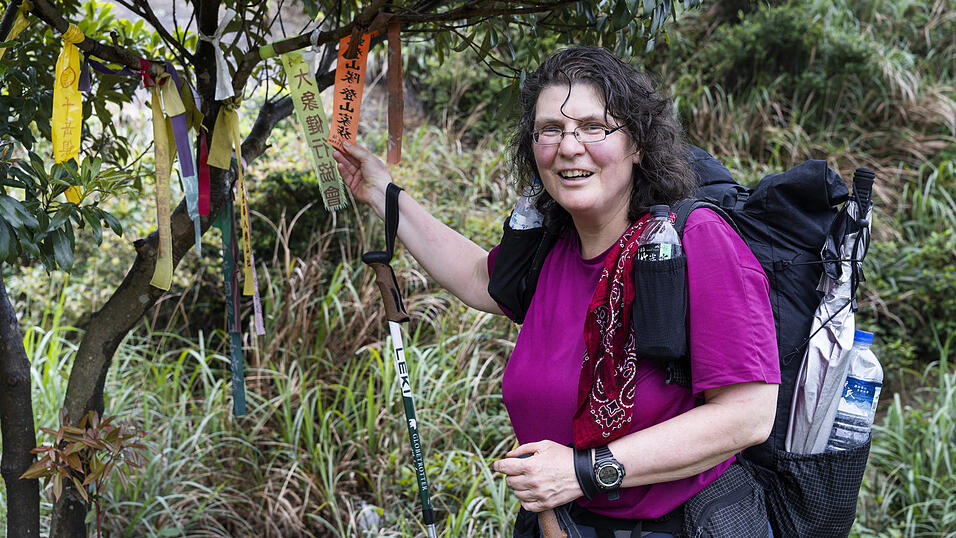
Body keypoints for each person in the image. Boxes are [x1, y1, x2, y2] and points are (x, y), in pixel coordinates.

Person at [333, 46, 780, 537]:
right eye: (550, 130)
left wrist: (581, 471)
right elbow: (479, 279)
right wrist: (380, 191)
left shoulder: (692, 241)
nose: (569, 147)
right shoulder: (552, 245)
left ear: (638, 143)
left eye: (593, 127)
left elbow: (746, 415)